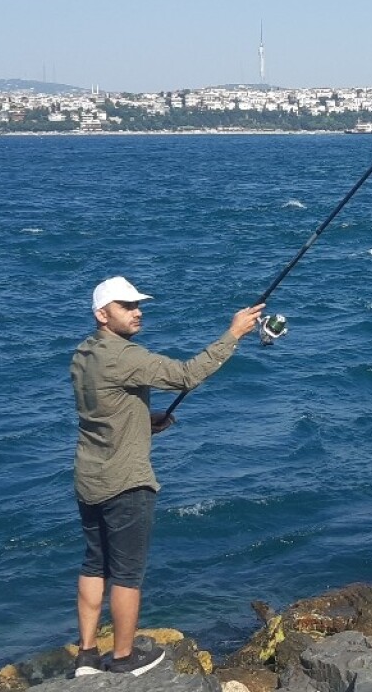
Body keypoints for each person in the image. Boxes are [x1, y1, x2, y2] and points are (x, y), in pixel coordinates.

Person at [70, 275, 264, 677]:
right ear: (102, 314)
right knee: (126, 574)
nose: (137, 312)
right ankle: (124, 659)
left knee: (94, 566)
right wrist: (234, 334)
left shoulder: (83, 355)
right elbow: (187, 374)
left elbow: (102, 410)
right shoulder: (126, 356)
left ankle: (87, 654)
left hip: (89, 478)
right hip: (126, 483)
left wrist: (143, 420)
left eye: (138, 305)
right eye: (127, 306)